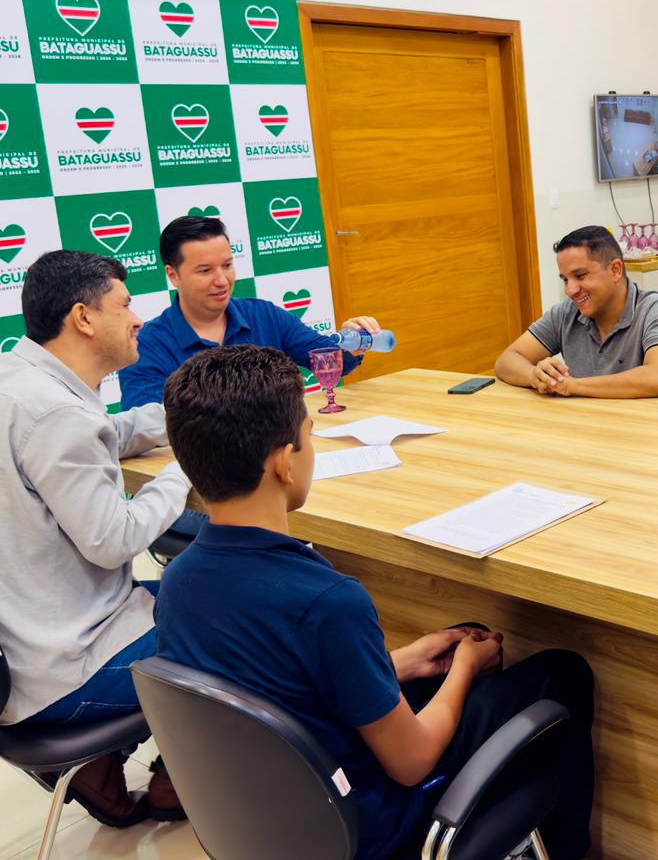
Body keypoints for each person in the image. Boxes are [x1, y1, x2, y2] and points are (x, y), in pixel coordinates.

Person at [156, 345, 596, 860]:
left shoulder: (178, 583)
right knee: (562, 675)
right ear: (283, 463)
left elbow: (279, 685)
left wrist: (402, 663)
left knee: (451, 648)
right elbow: (412, 763)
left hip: (276, 822)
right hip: (370, 830)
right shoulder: (327, 600)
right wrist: (464, 671)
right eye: (308, 436)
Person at [0, 250, 190, 827]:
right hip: (63, 674)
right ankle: (176, 784)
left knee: (189, 592)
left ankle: (100, 775)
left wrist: (183, 416)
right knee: (239, 627)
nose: (138, 319)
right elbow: (114, 539)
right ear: (84, 318)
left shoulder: (19, 380)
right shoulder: (58, 414)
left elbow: (101, 436)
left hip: (20, 659)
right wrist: (185, 470)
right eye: (125, 305)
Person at [118, 214, 383, 409]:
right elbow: (146, 425)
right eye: (205, 271)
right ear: (173, 275)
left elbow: (328, 358)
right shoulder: (147, 345)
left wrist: (352, 342)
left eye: (227, 265)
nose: (222, 280)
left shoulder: (264, 315)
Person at [495, 225, 658, 398]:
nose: (570, 290)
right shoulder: (567, 312)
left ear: (615, 270)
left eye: (580, 276)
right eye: (565, 279)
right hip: (602, 431)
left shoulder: (656, 310)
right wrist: (536, 376)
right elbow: (506, 361)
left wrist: (573, 386)